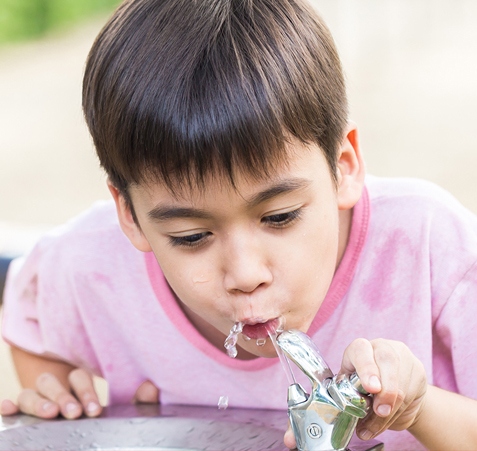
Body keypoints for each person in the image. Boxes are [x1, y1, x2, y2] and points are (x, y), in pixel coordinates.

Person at [1, 0, 477, 449]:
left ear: (344, 166)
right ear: (130, 214)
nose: (247, 273)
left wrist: (419, 408)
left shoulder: (430, 244)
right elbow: (28, 314)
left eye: (280, 217)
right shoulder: (93, 262)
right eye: (191, 237)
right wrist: (59, 397)